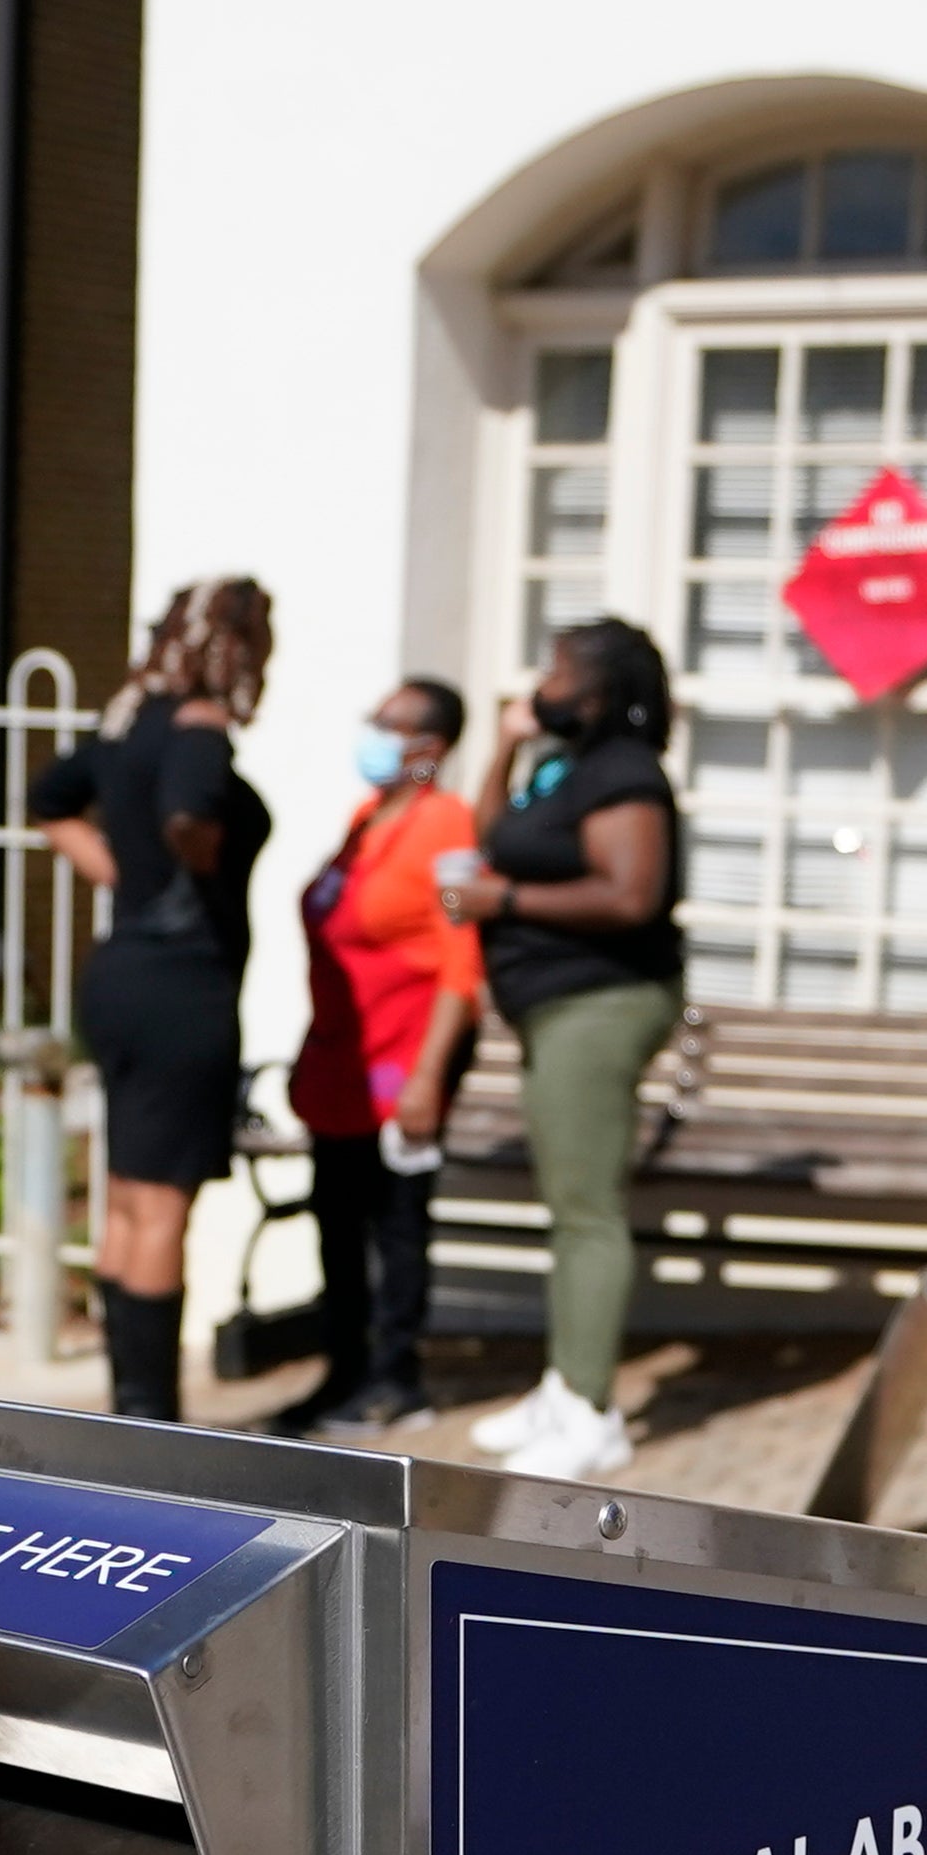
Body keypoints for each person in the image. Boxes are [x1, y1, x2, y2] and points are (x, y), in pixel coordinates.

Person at [432, 616, 686, 1484]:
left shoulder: (625, 775)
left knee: (586, 1210)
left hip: (600, 1003)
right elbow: (491, 830)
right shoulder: (561, 768)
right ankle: (563, 1385)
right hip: (553, 1008)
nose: (540, 683)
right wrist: (505, 747)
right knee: (568, 1202)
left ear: (600, 691)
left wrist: (504, 902)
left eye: (557, 671)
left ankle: (589, 1411)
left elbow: (629, 895)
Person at [29, 578, 276, 1420]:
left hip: (118, 978)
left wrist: (120, 871)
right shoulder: (199, 729)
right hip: (182, 988)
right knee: (165, 1204)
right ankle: (154, 1423)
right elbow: (188, 810)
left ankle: (127, 1408)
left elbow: (48, 800)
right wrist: (190, 856)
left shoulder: (125, 721)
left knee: (129, 1193)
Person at [270, 674, 484, 1437]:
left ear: (429, 748)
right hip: (341, 1056)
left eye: (389, 723)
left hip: (404, 1056)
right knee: (334, 1215)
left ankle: (397, 1378)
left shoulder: (447, 823)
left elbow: (463, 959)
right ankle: (343, 1369)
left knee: (393, 1222)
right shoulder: (366, 817)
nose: (372, 731)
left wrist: (429, 1076)